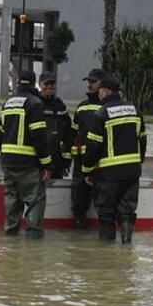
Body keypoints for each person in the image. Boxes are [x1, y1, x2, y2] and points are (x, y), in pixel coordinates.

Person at [81, 74, 146, 244]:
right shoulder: (135, 111)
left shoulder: (101, 113)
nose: (99, 94)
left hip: (109, 174)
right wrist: (137, 163)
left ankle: (107, 252)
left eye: (100, 90)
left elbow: (93, 145)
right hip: (132, 172)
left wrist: (86, 170)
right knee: (127, 211)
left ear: (107, 91)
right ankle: (126, 245)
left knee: (106, 213)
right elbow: (143, 140)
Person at [0, 69, 53, 238]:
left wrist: (5, 155)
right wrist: (46, 164)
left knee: (12, 199)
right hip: (28, 163)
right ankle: (34, 240)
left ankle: (10, 235)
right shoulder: (35, 103)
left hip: (8, 162)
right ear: (35, 83)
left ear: (18, 83)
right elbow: (39, 137)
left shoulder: (7, 103)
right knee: (35, 200)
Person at [67, 68, 105, 229]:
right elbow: (73, 134)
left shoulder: (108, 107)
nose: (89, 85)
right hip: (81, 163)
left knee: (103, 201)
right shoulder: (81, 107)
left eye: (93, 82)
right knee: (79, 201)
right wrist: (67, 159)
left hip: (102, 163)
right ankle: (79, 233)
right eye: (88, 81)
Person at [38, 71, 72, 179]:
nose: (49, 87)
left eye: (52, 84)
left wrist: (66, 160)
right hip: (37, 159)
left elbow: (69, 133)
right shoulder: (35, 104)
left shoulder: (60, 106)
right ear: (40, 84)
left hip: (56, 157)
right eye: (46, 84)